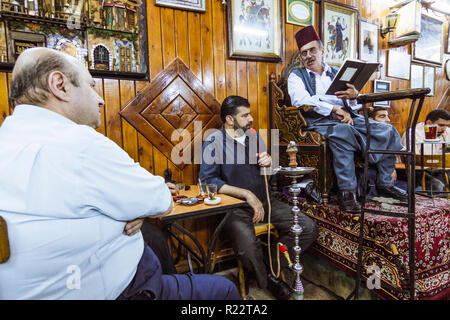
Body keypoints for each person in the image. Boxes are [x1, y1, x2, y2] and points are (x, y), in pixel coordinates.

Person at [0, 47, 240, 300]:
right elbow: (160, 199)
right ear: (60, 85)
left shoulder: (8, 137)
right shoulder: (78, 142)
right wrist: (138, 208)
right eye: (90, 86)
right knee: (224, 290)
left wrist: (133, 209)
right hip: (121, 291)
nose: (99, 98)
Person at [199, 95, 318, 300]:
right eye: (245, 115)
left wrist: (269, 163)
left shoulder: (255, 137)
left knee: (307, 228)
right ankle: (269, 281)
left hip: (266, 201)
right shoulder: (213, 141)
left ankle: (271, 261)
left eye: (249, 113)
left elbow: (268, 174)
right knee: (246, 249)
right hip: (234, 208)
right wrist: (246, 194)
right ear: (229, 119)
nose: (251, 118)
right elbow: (207, 181)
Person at [287, 26, 407, 213]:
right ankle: (347, 193)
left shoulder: (337, 73)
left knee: (388, 130)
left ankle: (385, 183)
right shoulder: (296, 76)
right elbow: (300, 100)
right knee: (344, 131)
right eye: (304, 53)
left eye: (313, 50)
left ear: (322, 50)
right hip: (319, 121)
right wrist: (334, 109)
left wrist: (353, 96)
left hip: (349, 116)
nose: (309, 55)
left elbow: (354, 105)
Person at [401, 109, 450, 192]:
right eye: (441, 125)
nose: (444, 129)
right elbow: (413, 160)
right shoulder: (413, 133)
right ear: (429, 123)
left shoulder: (447, 131)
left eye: (447, 125)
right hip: (419, 170)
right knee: (437, 185)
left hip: (441, 169)